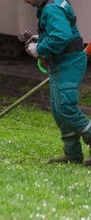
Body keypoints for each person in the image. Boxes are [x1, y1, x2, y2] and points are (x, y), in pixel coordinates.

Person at [24, 0, 91, 166]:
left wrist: (39, 49)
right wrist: (41, 38)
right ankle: (72, 154)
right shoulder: (52, 5)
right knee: (58, 109)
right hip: (62, 63)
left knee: (66, 108)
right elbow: (61, 31)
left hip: (68, 63)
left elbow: (61, 36)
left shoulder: (52, 8)